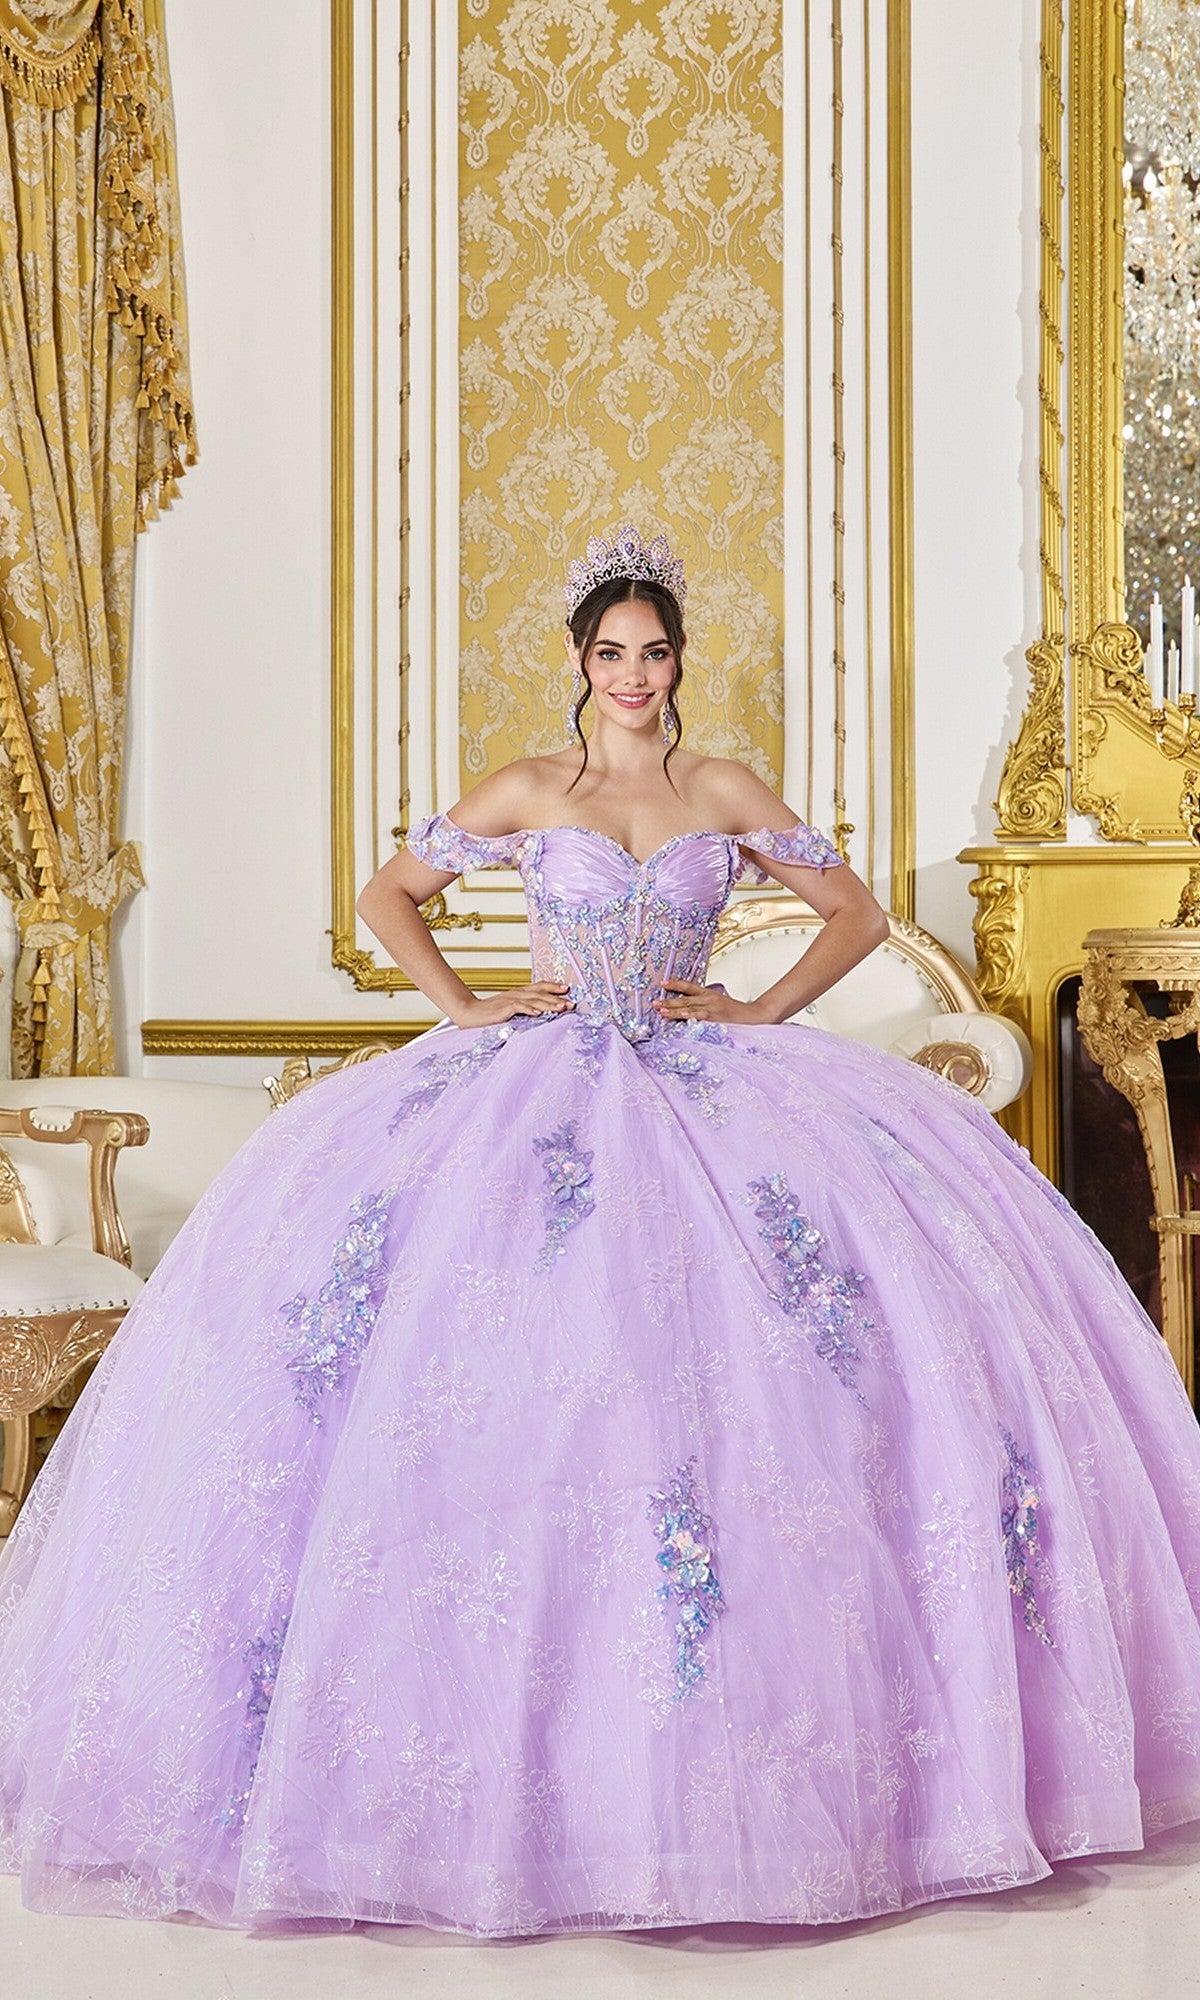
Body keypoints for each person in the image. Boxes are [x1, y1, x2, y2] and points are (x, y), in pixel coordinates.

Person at [3, 522, 1200, 1938]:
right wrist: (465, 1005)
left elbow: (855, 909)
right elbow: (388, 894)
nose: (634, 674)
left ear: (679, 662)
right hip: (537, 1082)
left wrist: (757, 1009)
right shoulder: (526, 787)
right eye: (612, 652)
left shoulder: (722, 786)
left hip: (715, 1086)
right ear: (580, 660)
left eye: (655, 652)